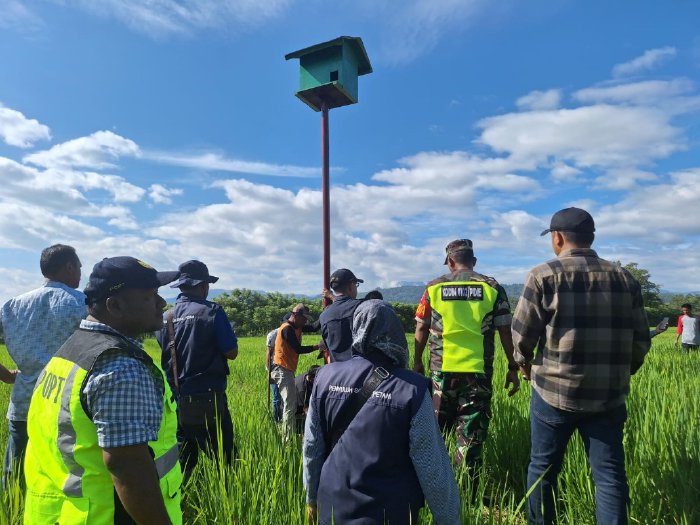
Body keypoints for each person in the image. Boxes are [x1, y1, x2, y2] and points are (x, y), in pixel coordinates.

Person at [512, 207, 651, 525]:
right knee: (610, 476)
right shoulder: (624, 279)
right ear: (590, 238)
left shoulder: (543, 275)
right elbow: (641, 340)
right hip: (608, 395)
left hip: (553, 393)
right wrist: (621, 372)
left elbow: (521, 336)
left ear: (557, 238)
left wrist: (523, 364)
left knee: (542, 470)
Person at [23, 256, 182, 525]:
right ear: (115, 305)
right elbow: (126, 466)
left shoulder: (71, 351)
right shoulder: (120, 367)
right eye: (149, 295)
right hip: (106, 516)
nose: (161, 303)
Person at [304, 300, 461, 525]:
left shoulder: (324, 377)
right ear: (395, 333)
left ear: (356, 330)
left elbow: (312, 449)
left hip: (332, 510)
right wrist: (449, 520)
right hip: (390, 514)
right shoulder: (412, 389)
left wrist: (311, 499)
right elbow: (433, 470)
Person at [413, 239, 520, 476]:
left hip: (442, 371)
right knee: (471, 435)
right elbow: (505, 330)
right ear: (473, 261)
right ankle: (466, 490)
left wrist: (417, 362)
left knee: (436, 432)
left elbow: (421, 328)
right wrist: (513, 367)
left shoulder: (433, 287)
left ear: (450, 261)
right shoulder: (492, 287)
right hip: (477, 372)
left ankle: (435, 484)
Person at [0, 244, 86, 486]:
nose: (80, 273)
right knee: (63, 478)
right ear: (69, 267)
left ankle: (11, 514)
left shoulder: (12, 306)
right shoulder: (82, 304)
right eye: (79, 267)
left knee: (14, 474)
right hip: (66, 405)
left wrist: (6, 375)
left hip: (24, 402)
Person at [157, 260, 238, 479]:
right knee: (226, 461)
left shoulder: (166, 318)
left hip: (176, 400)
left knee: (183, 461)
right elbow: (231, 351)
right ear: (203, 286)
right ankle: (231, 504)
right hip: (209, 399)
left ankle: (178, 502)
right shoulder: (212, 311)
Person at [271, 304, 321, 439]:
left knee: (290, 405)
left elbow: (314, 327)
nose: (305, 322)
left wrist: (326, 313)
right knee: (290, 406)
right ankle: (287, 440)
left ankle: (287, 433)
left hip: (287, 370)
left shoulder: (297, 326)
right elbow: (298, 349)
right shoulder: (287, 329)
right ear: (295, 315)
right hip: (281, 369)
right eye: (304, 318)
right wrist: (318, 346)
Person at [319, 268, 364, 362]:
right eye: (356, 285)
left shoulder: (324, 315)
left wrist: (332, 297)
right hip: (360, 371)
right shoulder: (361, 307)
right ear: (351, 286)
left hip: (337, 372)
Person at [265, 314, 290, 423]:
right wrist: (269, 372)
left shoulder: (291, 333)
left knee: (286, 397)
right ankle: (276, 420)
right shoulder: (273, 334)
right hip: (275, 368)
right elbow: (268, 354)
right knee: (276, 397)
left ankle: (284, 419)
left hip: (287, 368)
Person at [294, 365, 320, 434]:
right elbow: (304, 407)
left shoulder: (309, 377)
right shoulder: (301, 388)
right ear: (311, 377)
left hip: (304, 404)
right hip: (296, 408)